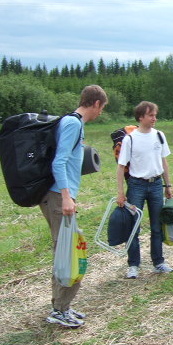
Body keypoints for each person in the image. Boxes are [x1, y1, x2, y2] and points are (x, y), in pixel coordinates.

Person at [41, 84, 107, 328]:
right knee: (69, 253)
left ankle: (61, 306)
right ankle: (59, 311)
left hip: (60, 196)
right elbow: (59, 163)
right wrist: (67, 197)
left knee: (67, 251)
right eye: (102, 108)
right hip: (59, 198)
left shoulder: (73, 123)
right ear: (97, 103)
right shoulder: (73, 123)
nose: (100, 113)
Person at [117, 101, 173, 279]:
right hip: (136, 186)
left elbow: (164, 162)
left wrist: (168, 185)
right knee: (134, 227)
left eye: (155, 115)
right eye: (151, 115)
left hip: (156, 185)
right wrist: (121, 193)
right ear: (140, 117)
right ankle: (133, 265)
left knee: (157, 226)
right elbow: (120, 167)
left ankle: (158, 262)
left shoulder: (159, 136)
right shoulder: (130, 139)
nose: (154, 118)